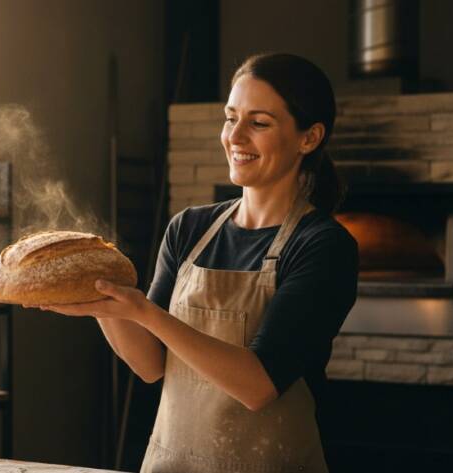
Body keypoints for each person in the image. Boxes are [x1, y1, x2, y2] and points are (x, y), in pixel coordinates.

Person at [37, 53, 358, 473]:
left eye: (259, 123)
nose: (235, 137)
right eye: (230, 118)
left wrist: (144, 311)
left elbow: (258, 385)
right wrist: (100, 301)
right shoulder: (189, 228)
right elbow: (151, 365)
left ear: (309, 138)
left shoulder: (323, 246)